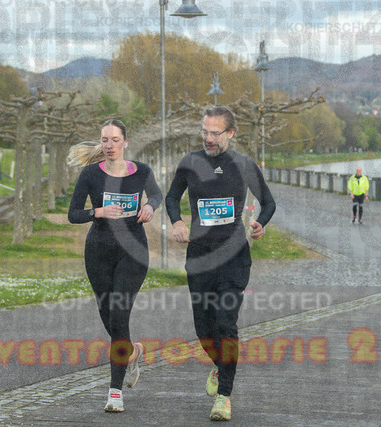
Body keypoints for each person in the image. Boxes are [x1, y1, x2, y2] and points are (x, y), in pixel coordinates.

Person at [165, 106, 276, 421]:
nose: (208, 138)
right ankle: (220, 366)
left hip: (233, 258)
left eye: (215, 133)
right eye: (204, 131)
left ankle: (224, 396)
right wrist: (177, 222)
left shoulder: (243, 165)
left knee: (226, 324)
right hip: (200, 258)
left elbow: (268, 202)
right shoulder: (190, 162)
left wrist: (260, 223)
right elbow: (172, 198)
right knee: (204, 329)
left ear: (231, 133)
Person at [67, 119, 162, 413]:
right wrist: (98, 211)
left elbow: (156, 194)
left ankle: (115, 392)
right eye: (105, 140)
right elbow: (73, 214)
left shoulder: (141, 171)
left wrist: (150, 206)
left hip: (133, 252)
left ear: (125, 142)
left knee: (119, 316)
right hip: (98, 252)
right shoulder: (90, 174)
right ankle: (132, 351)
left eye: (115, 140)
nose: (109, 145)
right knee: (108, 316)